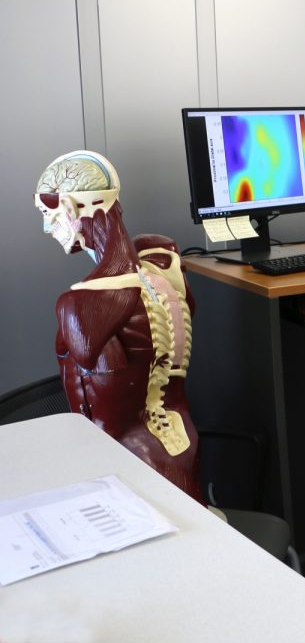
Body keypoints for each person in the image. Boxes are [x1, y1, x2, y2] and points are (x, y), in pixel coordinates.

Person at [34, 150, 201, 502]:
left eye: (47, 213)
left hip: (126, 472)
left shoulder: (80, 303)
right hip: (185, 451)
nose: (46, 227)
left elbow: (96, 411)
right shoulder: (165, 263)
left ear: (70, 209)